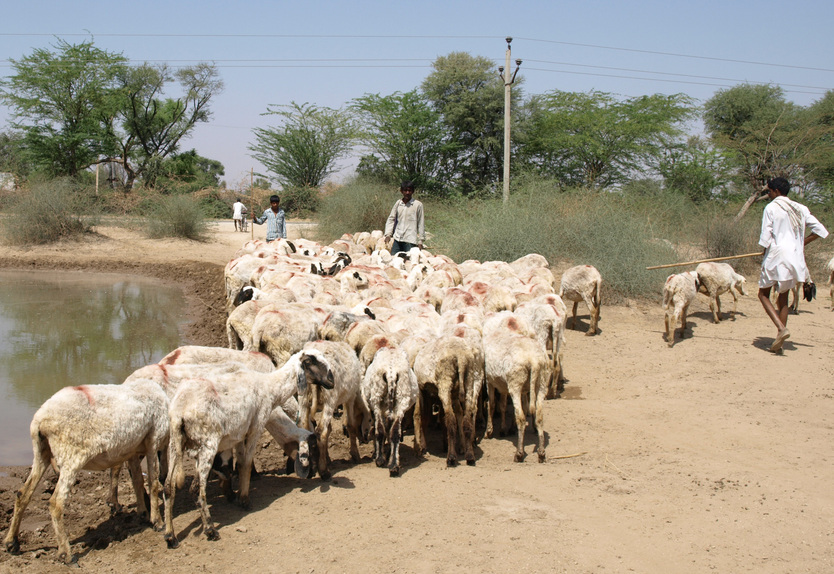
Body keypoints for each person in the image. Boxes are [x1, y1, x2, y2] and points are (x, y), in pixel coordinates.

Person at [757, 177, 828, 353]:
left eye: (769, 191)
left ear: (776, 191)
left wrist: (764, 250)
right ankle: (779, 342)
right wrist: (799, 243)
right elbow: (820, 231)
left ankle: (781, 329)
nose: (769, 194)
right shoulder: (801, 208)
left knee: (763, 294)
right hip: (795, 258)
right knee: (783, 297)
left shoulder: (771, 207)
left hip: (777, 255)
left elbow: (766, 238)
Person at [384, 181, 425, 255]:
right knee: (394, 260)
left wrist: (420, 241)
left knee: (409, 263)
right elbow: (391, 219)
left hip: (410, 241)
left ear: (413, 191)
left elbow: (421, 223)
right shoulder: (398, 203)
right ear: (401, 191)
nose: (407, 192)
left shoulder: (418, 205)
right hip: (397, 239)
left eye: (409, 190)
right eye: (405, 190)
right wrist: (388, 234)